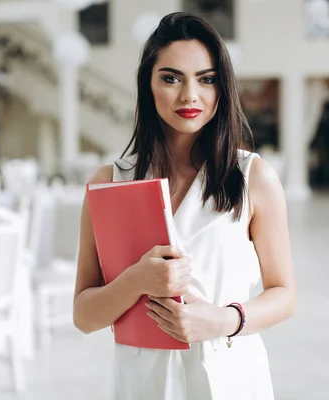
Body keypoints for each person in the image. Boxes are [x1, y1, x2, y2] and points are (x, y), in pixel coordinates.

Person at [73, 12, 296, 400]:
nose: (189, 95)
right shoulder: (109, 181)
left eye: (206, 79)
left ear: (222, 88)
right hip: (144, 383)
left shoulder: (253, 177)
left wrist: (223, 319)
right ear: (149, 84)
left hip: (231, 379)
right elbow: (84, 316)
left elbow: (284, 293)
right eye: (171, 78)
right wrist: (136, 281)